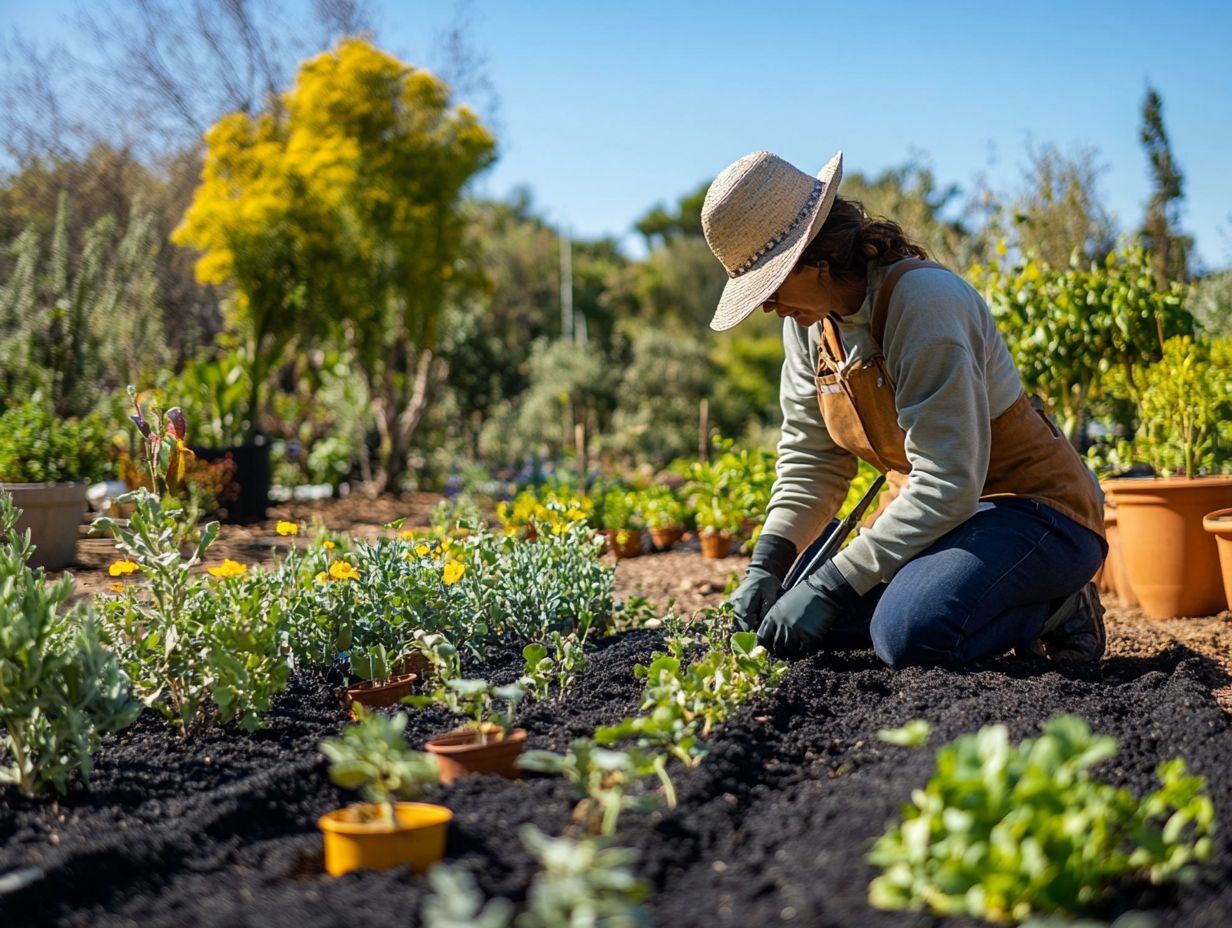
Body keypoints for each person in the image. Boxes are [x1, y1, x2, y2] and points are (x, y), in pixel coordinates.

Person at [700, 150, 1107, 666]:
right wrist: (768, 565)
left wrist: (831, 585)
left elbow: (948, 481)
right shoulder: (807, 326)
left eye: (769, 286)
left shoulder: (924, 304)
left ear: (816, 261)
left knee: (912, 634)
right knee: (794, 616)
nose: (766, 306)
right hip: (940, 518)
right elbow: (812, 462)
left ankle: (1059, 606)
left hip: (1033, 511)